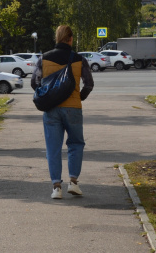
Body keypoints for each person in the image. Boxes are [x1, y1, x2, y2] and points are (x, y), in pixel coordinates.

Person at [30, 25, 94, 199]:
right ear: (70, 38)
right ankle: (73, 182)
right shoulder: (79, 59)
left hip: (51, 110)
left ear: (56, 38)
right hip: (73, 109)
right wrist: (78, 97)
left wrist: (47, 95)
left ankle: (56, 187)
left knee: (53, 148)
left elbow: (34, 83)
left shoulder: (44, 58)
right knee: (76, 144)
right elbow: (89, 84)